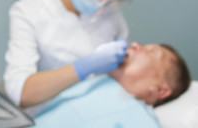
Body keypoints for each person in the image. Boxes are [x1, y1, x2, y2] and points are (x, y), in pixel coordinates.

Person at [3, 0, 137, 115]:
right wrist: (84, 66)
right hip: (52, 117)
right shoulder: (27, 12)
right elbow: (21, 93)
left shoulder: (110, 7)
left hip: (103, 112)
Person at [32, 42, 191, 127]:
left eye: (151, 52)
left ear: (161, 90)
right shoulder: (92, 84)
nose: (135, 44)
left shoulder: (142, 122)